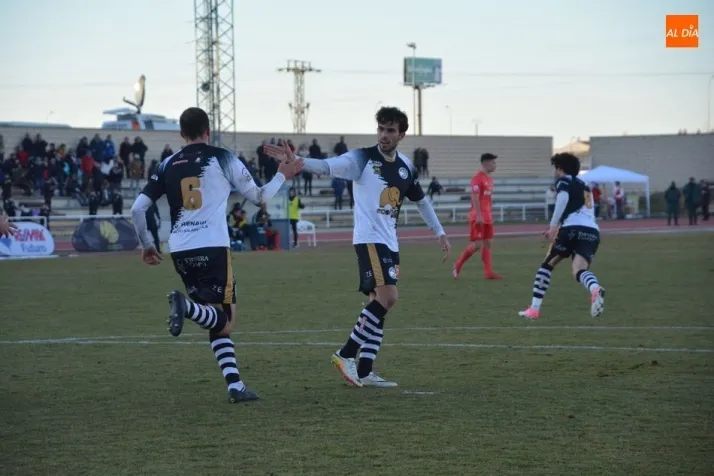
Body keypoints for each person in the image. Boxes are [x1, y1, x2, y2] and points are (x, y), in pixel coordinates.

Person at [264, 106, 451, 388]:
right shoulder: (362, 158)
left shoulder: (406, 167)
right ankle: (346, 353)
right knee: (389, 296)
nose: (384, 135)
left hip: (390, 242)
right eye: (381, 129)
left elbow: (421, 201)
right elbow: (327, 166)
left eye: (390, 130)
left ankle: (365, 370)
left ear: (401, 134)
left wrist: (439, 232)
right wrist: (298, 160)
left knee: (380, 303)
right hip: (369, 239)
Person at [130, 107, 302, 403]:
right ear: (208, 131)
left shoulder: (167, 164)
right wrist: (281, 175)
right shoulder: (223, 157)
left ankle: (235, 386)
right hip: (212, 247)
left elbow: (137, 209)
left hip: (180, 249)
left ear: (182, 134)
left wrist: (147, 244)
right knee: (226, 320)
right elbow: (259, 197)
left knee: (215, 319)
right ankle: (185, 307)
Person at [518, 153, 605, 320]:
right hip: (591, 231)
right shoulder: (585, 185)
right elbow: (588, 208)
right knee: (579, 271)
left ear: (560, 168)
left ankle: (534, 309)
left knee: (547, 266)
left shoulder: (563, 181)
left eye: (556, 169)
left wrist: (553, 227)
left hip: (571, 229)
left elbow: (563, 199)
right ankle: (595, 288)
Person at [453, 153, 502, 280]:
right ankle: (458, 264)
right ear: (485, 163)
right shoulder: (477, 178)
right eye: (493, 163)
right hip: (478, 216)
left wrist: (490, 212)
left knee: (488, 243)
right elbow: (474, 197)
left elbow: (487, 199)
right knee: (477, 245)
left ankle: (488, 272)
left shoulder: (489, 179)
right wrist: (479, 216)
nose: (495, 165)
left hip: (487, 216)